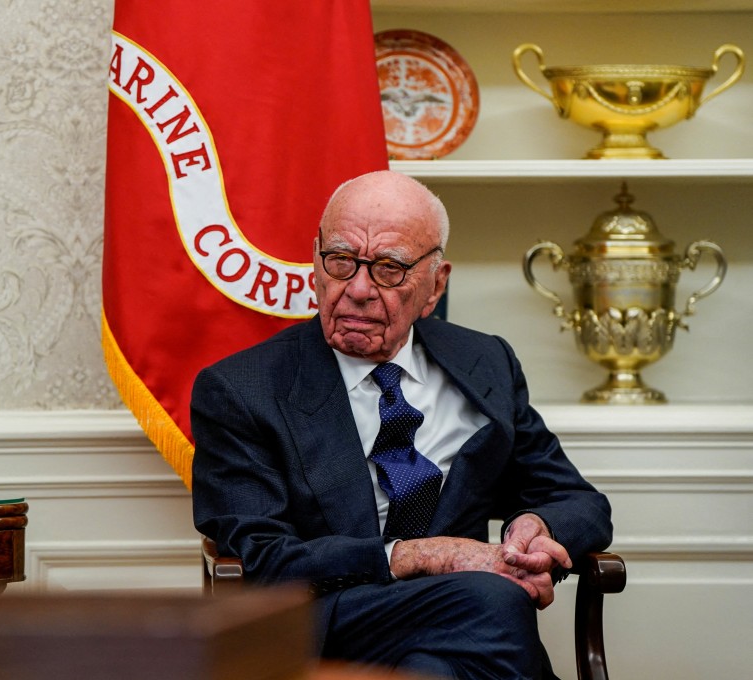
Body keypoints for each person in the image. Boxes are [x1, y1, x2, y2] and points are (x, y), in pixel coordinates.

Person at [191, 170, 613, 679]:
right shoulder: (241, 389)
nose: (358, 289)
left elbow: (581, 503)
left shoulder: (485, 362)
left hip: (460, 622)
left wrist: (535, 532)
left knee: (439, 663)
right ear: (316, 261)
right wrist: (425, 555)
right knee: (493, 599)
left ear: (436, 284)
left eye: (389, 269)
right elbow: (262, 559)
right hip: (326, 619)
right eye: (340, 260)